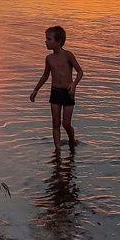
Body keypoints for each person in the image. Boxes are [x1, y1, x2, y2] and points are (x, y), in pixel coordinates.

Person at [30, 25, 84, 155]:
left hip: (68, 93)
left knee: (66, 124)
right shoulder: (49, 59)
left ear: (58, 41)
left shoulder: (68, 55)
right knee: (55, 123)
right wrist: (36, 90)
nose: (46, 42)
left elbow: (80, 72)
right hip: (55, 92)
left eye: (49, 39)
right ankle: (58, 151)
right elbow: (45, 75)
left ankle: (72, 140)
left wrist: (74, 84)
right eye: (46, 39)